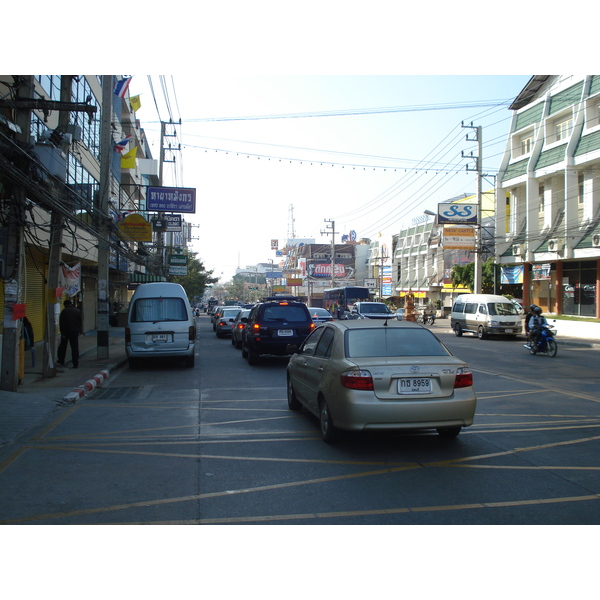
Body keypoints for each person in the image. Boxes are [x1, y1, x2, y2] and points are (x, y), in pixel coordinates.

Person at [57, 299, 83, 368]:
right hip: (75, 331)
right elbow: (80, 322)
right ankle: (75, 363)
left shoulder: (64, 312)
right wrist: (79, 330)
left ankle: (61, 360)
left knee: (62, 347)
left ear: (65, 305)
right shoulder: (77, 311)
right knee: (74, 348)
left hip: (66, 332)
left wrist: (63, 333)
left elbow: (62, 324)